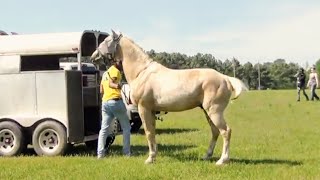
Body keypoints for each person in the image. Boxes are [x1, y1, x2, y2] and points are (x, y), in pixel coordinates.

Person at [97, 60, 131, 158]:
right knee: (126, 128)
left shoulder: (104, 74)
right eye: (122, 64)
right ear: (117, 64)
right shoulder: (115, 71)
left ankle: (100, 154)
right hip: (116, 101)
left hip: (105, 102)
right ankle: (126, 153)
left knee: (104, 129)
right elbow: (111, 84)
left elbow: (101, 90)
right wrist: (119, 86)